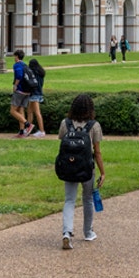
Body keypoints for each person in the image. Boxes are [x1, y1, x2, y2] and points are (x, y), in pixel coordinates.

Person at [58, 93, 105, 250]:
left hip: (69, 167)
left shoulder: (65, 124)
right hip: (86, 168)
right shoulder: (94, 126)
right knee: (88, 199)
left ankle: (67, 233)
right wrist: (102, 172)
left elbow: (62, 145)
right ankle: (88, 232)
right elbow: (97, 152)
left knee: (69, 200)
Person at [10, 50, 34, 137]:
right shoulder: (25, 65)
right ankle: (21, 131)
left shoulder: (17, 65)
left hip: (20, 91)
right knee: (20, 110)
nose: (14, 58)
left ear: (17, 56)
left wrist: (15, 86)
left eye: (14, 56)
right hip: (27, 91)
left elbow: (19, 76)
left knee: (13, 111)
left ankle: (28, 125)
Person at [25, 58, 47, 138]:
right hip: (39, 93)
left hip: (34, 94)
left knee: (37, 113)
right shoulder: (41, 73)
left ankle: (42, 131)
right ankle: (28, 130)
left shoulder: (33, 73)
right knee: (29, 111)